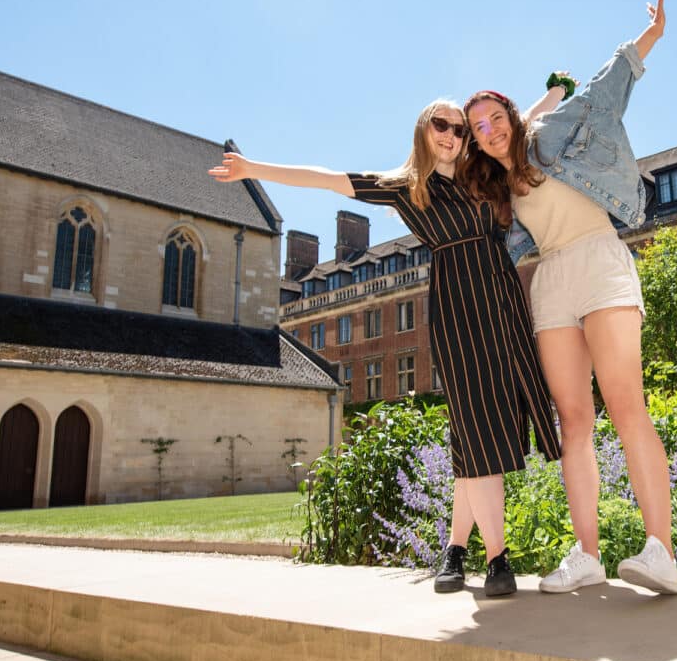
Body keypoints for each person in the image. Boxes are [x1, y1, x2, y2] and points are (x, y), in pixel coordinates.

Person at [209, 100, 561, 596]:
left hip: (501, 299)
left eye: (459, 128)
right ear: (423, 129)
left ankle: (455, 551)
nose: (452, 134)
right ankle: (498, 559)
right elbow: (328, 179)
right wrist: (254, 170)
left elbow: (510, 122)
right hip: (457, 304)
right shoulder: (404, 185)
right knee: (478, 431)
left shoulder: (479, 170)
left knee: (479, 434)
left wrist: (552, 96)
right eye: (442, 124)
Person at [459, 0, 677, 595]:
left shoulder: (550, 132)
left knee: (626, 406)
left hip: (600, 260)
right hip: (551, 279)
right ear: (475, 140)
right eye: (477, 127)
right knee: (573, 422)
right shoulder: (494, 190)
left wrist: (650, 36)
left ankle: (660, 550)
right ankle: (588, 555)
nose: (489, 129)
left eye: (494, 116)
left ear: (511, 115)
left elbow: (607, 88)